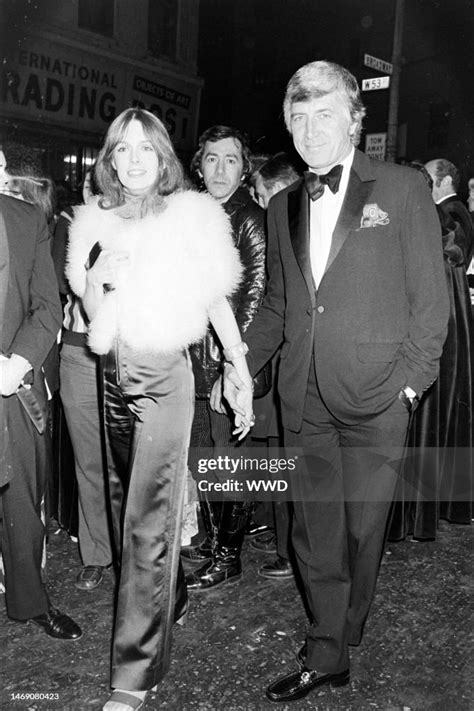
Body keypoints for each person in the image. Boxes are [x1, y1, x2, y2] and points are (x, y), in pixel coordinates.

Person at [224, 60, 449, 703]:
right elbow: (278, 308)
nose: (310, 129)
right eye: (299, 116)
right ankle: (328, 647)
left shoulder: (404, 189)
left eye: (325, 114)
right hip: (306, 396)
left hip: (379, 395)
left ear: (354, 120)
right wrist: (239, 361)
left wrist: (410, 385)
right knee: (313, 527)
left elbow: (430, 304)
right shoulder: (283, 203)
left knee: (361, 528)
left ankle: (344, 624)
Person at [66, 107, 253, 711]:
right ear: (112, 159)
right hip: (110, 375)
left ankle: (132, 678)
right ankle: (166, 601)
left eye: (147, 148)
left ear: (164, 156)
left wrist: (239, 368)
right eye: (125, 149)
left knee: (148, 521)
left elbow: (218, 297)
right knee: (131, 516)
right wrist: (100, 282)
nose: (136, 159)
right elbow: (94, 318)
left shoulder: (192, 214)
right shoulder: (94, 221)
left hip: (165, 376)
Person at [184, 125, 267, 592]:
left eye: (230, 159)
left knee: (228, 461)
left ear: (244, 167)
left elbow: (254, 294)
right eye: (211, 158)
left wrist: (233, 370)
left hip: (223, 362)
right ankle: (215, 540)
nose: (219, 168)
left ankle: (228, 556)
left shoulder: (249, 217)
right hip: (190, 358)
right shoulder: (192, 213)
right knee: (205, 459)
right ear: (199, 164)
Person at [0, 192, 82, 641]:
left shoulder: (25, 218)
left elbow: (47, 305)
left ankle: (29, 601)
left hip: (11, 385)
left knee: (22, 501)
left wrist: (19, 361)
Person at [389, 161, 473, 539]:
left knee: (429, 418)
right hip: (445, 329)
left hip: (440, 330)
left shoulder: (449, 214)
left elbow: (448, 255)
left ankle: (416, 513)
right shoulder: (442, 216)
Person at [52, 172, 113, 591]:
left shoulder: (140, 229)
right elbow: (58, 284)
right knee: (89, 460)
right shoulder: (69, 229)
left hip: (129, 356)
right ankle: (97, 554)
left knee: (128, 463)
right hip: (78, 353)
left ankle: (138, 556)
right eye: (93, 188)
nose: (99, 195)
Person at [249, 153, 300, 581]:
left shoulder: (282, 220)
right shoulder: (286, 219)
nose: (259, 201)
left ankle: (290, 550)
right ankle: (284, 541)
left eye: (262, 194)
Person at [425, 158, 474, 265]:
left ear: (446, 181)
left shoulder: (450, 212)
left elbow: (451, 260)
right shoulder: (454, 208)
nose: (422, 182)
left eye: (427, 177)